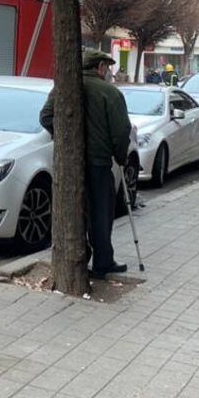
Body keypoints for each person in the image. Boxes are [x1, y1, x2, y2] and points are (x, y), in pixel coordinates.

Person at [40, 49, 133, 279]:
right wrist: (121, 156)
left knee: (77, 211)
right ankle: (103, 261)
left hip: (71, 165)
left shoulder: (64, 87)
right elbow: (122, 131)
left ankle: (82, 257)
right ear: (99, 67)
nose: (109, 72)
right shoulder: (109, 93)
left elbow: (46, 116)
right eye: (107, 67)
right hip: (99, 163)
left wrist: (65, 139)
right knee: (101, 213)